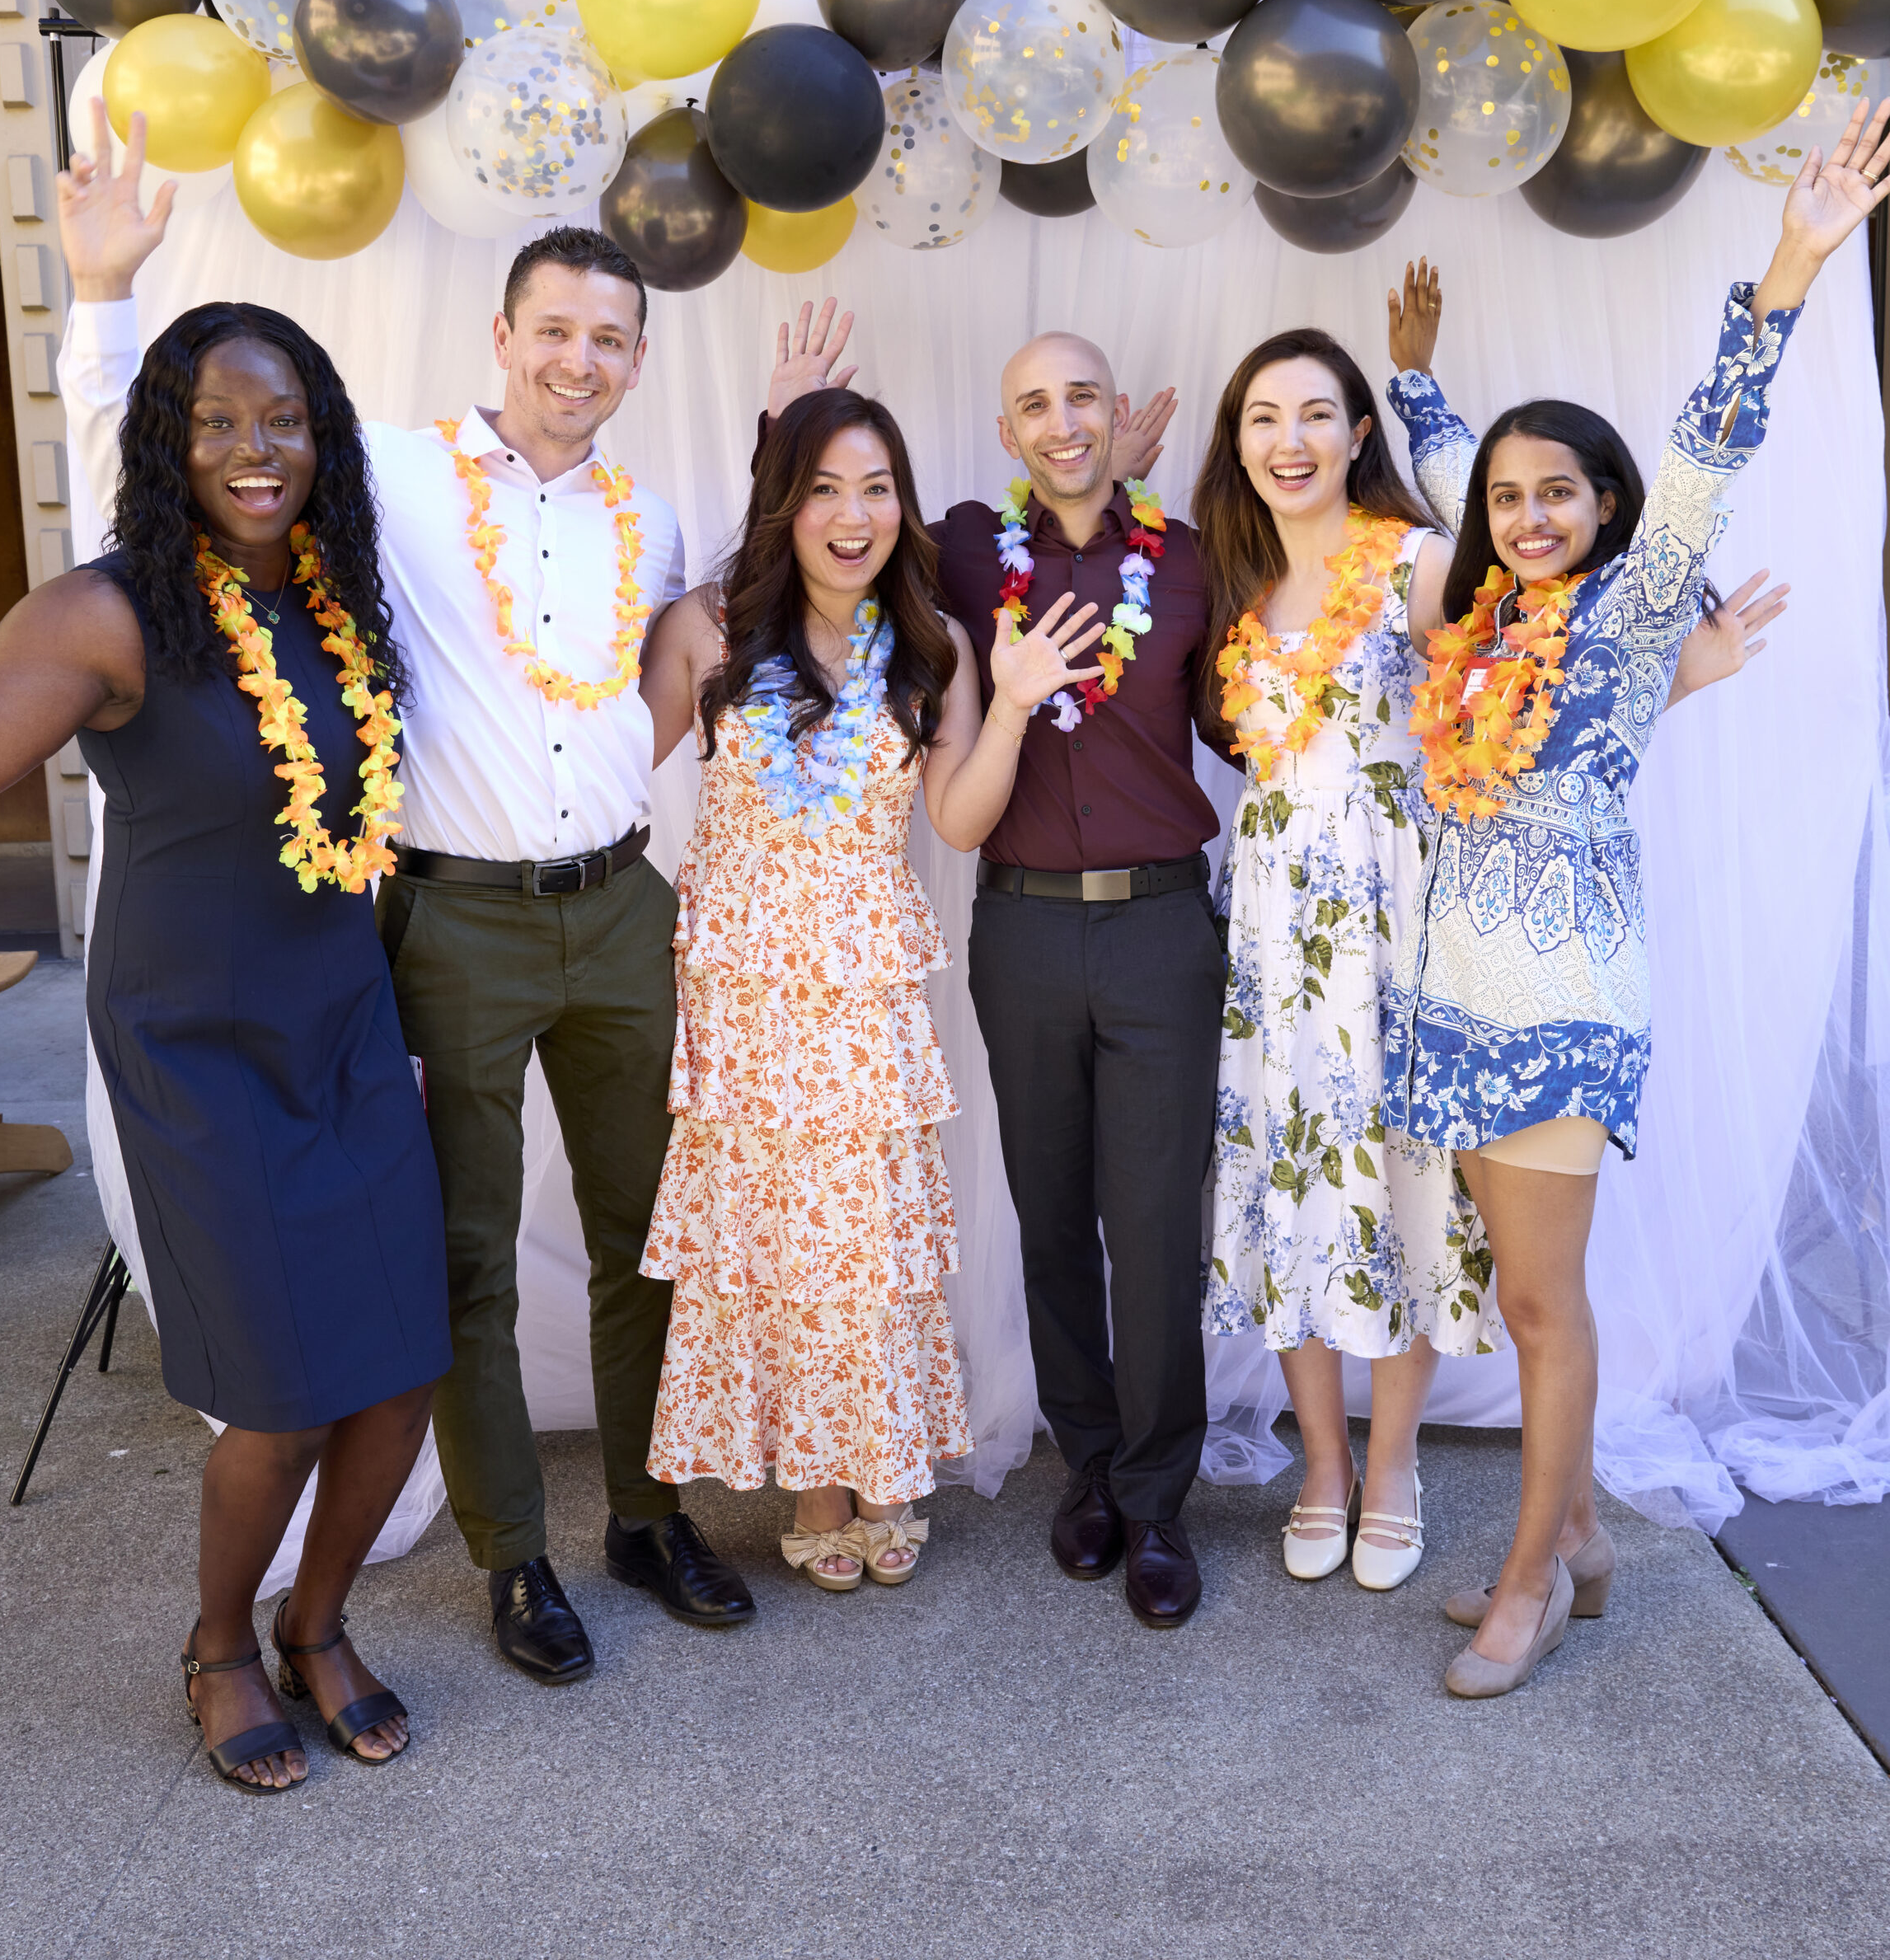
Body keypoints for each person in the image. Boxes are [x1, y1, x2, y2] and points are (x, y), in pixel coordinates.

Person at [55, 110, 753, 1690]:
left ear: (639, 360)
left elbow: (672, 659)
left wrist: (782, 447)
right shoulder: (398, 485)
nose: (580, 360)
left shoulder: (638, 514)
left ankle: (647, 1512)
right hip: (454, 920)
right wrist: (104, 297)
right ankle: (517, 1560)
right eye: (555, 330)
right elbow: (161, 471)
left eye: (610, 339)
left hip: (624, 905)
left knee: (656, 1232)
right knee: (469, 1257)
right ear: (503, 337)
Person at [0, 303, 451, 1793]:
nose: (253, 450)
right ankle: (220, 1643)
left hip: (342, 1022)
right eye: (215, 421)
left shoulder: (341, 593)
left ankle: (317, 1626)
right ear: (169, 441)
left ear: (321, 434)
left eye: (279, 419)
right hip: (194, 1046)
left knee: (405, 1366)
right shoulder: (105, 615)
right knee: (278, 1397)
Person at [1377, 103, 1890, 1696]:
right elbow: (1461, 466)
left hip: (1564, 997)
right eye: (1512, 501)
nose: (1529, 516)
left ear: (1609, 512)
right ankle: (1582, 1531)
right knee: (1516, 1285)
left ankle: (1532, 1576)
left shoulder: (1628, 612)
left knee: (1542, 1305)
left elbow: (1705, 448)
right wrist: (1413, 376)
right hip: (1451, 992)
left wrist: (1793, 260)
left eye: (1562, 496)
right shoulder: (1483, 625)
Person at [1194, 321, 1784, 1596]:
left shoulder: (1418, 563)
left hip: (1417, 926)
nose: (1287, 441)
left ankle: (1414, 1476)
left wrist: (1679, 668)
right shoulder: (1237, 586)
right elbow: (1513, 548)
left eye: (1315, 414)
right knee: (1307, 1188)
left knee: (1415, 1203)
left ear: (1355, 436)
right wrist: (1419, 380)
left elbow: (1542, 660)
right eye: (1261, 419)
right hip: (1293, 936)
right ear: (1237, 446)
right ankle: (1345, 1473)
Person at [768, 306, 1219, 1629]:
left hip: (1160, 928)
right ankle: (1087, 1463)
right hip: (1019, 924)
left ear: (1117, 409)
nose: (1064, 423)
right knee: (1050, 1209)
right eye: (1035, 406)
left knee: (1152, 1226)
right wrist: (784, 422)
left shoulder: (1190, 560)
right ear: (1006, 428)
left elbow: (1256, 699)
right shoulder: (965, 546)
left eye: (1085, 397)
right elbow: (821, 547)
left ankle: (1158, 1500)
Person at [636, 387, 1109, 1588]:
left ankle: (884, 1474)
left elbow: (956, 817)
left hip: (861, 984)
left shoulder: (931, 647)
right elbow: (597, 774)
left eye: (877, 488)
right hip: (743, 981)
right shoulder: (707, 628)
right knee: (775, 1240)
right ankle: (819, 1489)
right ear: (785, 503)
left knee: (865, 1240)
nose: (853, 516)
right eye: (824, 490)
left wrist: (1005, 706)